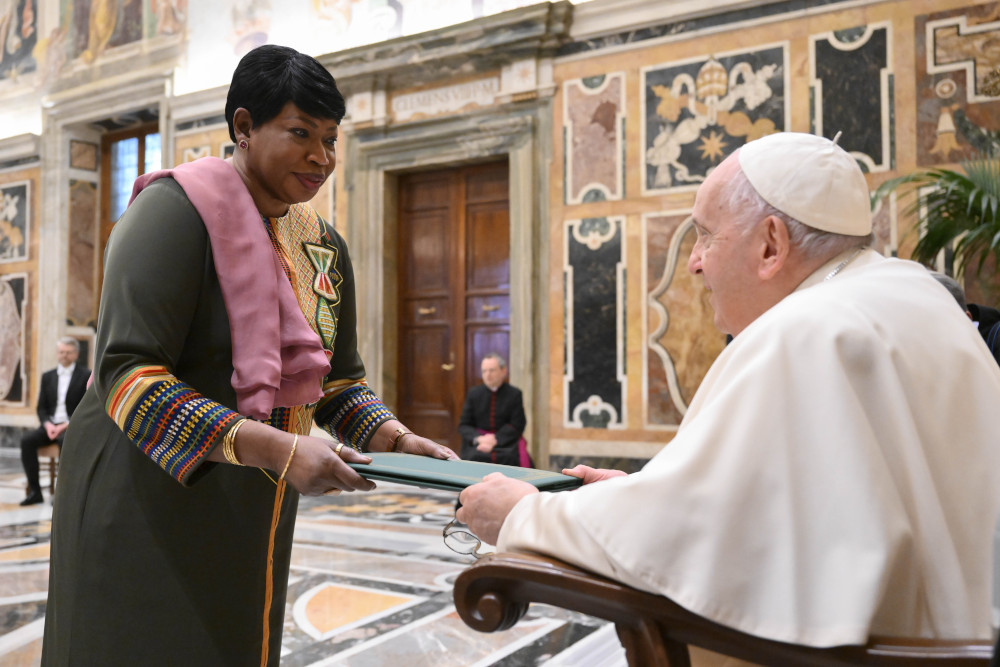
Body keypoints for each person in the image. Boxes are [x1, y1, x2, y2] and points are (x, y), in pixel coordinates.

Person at [458, 132, 1000, 651]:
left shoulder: (804, 330)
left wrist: (520, 515)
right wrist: (646, 490)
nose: (693, 262)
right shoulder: (909, 292)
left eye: (705, 235)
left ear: (771, 244)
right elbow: (810, 512)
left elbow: (678, 545)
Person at [43, 45, 455, 666]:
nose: (321, 158)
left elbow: (337, 382)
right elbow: (129, 377)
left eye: (331, 139)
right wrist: (279, 450)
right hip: (144, 488)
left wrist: (394, 440)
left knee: (231, 637)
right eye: (300, 134)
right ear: (243, 127)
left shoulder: (320, 246)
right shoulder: (171, 215)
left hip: (252, 495)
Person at [18, 338, 90, 506]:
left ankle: (61, 493)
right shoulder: (47, 376)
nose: (64, 355)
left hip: (70, 426)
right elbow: (41, 408)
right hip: (51, 425)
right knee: (26, 440)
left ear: (76, 354)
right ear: (57, 354)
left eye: (68, 352)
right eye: (61, 352)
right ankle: (35, 491)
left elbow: (84, 408)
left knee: (65, 441)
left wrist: (67, 425)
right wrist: (48, 425)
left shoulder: (85, 375)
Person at [458, 353, 529, 466]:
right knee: (473, 458)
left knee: (509, 458)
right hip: (478, 442)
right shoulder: (473, 393)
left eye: (492, 370)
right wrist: (480, 439)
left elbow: (518, 424)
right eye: (484, 371)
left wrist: (495, 439)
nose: (487, 375)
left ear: (503, 371)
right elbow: (464, 425)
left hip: (505, 443)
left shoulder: (514, 394)